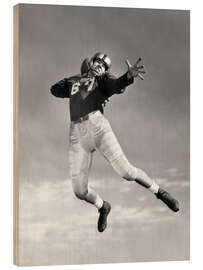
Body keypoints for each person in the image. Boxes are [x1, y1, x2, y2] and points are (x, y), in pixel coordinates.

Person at [50, 52, 179, 233]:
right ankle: (103, 207)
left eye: (103, 66)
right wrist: (72, 82)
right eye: (97, 63)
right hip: (76, 132)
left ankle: (159, 192)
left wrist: (127, 77)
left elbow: (116, 84)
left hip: (97, 125)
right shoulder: (75, 80)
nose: (99, 67)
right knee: (79, 191)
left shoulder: (102, 80)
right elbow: (55, 90)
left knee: (125, 171)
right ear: (91, 63)